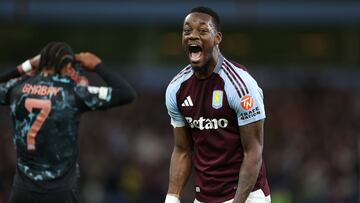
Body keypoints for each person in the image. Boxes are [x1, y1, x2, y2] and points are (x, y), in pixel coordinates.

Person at [0, 41, 136, 203]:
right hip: (60, 192)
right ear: (66, 66)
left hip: (22, 191)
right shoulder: (72, 93)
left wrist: (25, 66)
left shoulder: (18, 88)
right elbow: (126, 93)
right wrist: (97, 65)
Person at [165, 6, 270, 203]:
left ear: (217, 38)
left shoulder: (241, 85)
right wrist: (172, 197)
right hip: (204, 197)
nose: (193, 35)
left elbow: (253, 152)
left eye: (203, 31)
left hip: (246, 195)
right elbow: (182, 150)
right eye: (187, 31)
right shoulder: (176, 88)